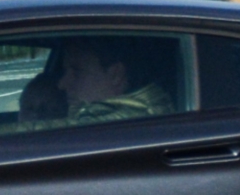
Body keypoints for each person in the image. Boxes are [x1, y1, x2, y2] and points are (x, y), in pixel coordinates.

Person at [18, 36, 174, 128]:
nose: (62, 84)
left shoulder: (124, 125)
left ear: (115, 75)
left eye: (77, 71)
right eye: (65, 72)